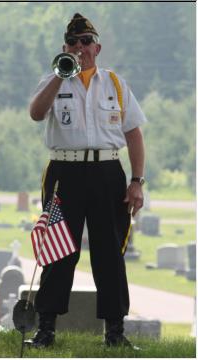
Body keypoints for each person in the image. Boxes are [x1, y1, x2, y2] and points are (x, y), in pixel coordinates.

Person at [26, 13, 146, 349]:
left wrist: (136, 180)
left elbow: (134, 134)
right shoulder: (53, 79)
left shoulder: (115, 84)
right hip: (65, 172)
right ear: (65, 46)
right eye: (73, 43)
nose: (81, 48)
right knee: (58, 250)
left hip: (107, 172)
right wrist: (59, 74)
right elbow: (36, 113)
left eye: (86, 42)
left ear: (98, 47)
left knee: (110, 252)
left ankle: (115, 332)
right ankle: (46, 329)